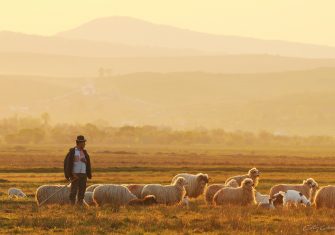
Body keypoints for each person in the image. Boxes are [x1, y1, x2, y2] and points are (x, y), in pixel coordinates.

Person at [64, 135, 92, 205]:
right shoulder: (72, 152)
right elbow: (68, 164)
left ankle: (80, 206)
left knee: (82, 191)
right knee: (73, 191)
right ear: (80, 143)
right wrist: (72, 174)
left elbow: (87, 163)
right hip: (75, 175)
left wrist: (85, 161)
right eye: (84, 142)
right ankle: (72, 206)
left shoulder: (84, 152)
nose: (85, 144)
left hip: (83, 174)